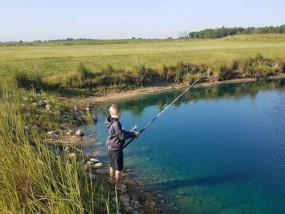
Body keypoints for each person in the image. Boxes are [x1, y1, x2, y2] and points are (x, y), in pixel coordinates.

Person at [105, 103, 140, 192]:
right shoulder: (116, 123)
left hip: (110, 147)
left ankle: (112, 180)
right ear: (117, 113)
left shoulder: (110, 121)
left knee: (112, 165)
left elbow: (120, 132)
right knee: (119, 168)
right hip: (116, 149)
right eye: (121, 113)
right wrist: (133, 134)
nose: (121, 115)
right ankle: (118, 185)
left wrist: (131, 133)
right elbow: (122, 136)